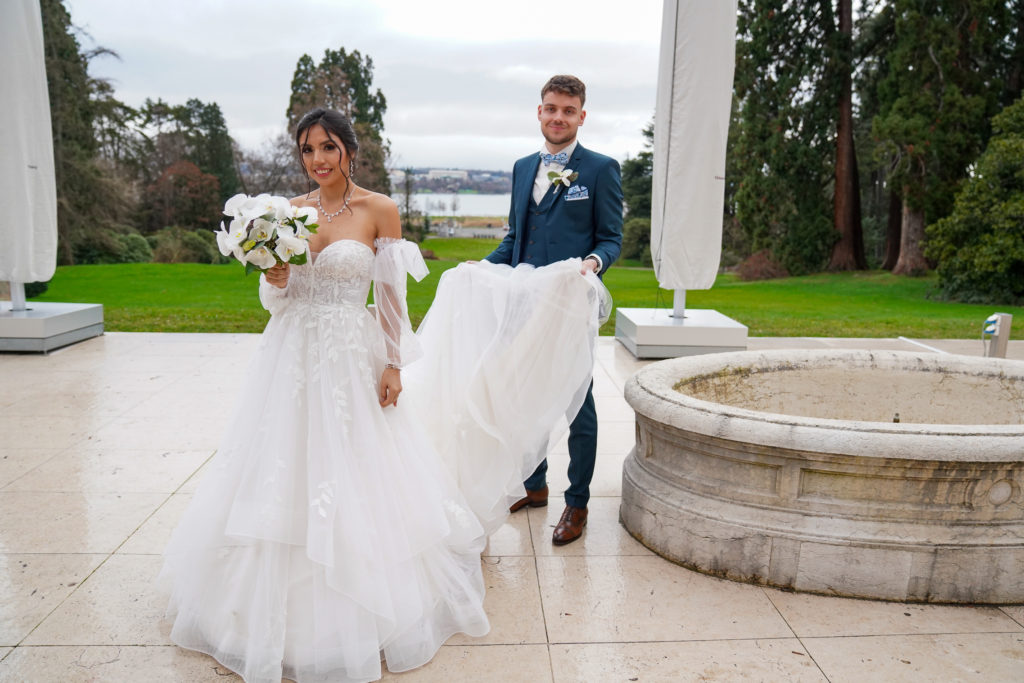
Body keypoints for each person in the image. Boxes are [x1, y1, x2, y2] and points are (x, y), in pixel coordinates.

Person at [161, 107, 607, 683]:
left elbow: (391, 295)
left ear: (348, 149)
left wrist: (395, 362)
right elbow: (284, 298)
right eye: (306, 150)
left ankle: (362, 594)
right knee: (281, 461)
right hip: (292, 354)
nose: (317, 160)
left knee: (357, 462)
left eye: (327, 147)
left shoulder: (379, 210)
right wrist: (275, 278)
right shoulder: (288, 214)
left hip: (353, 351)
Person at [484, 74, 623, 545]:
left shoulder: (601, 169)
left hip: (569, 306)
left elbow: (611, 239)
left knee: (576, 405)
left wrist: (593, 262)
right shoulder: (523, 167)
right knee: (525, 397)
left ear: (581, 116)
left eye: (568, 110)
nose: (558, 117)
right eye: (551, 108)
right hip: (525, 303)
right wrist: (479, 268)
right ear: (539, 112)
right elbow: (515, 238)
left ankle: (577, 503)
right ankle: (534, 483)